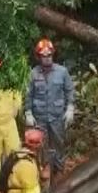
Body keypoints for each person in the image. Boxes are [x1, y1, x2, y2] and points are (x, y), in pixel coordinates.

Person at [23, 39, 74, 179]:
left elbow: (69, 90)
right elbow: (28, 95)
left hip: (57, 116)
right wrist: (28, 112)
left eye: (49, 56)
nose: (47, 59)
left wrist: (70, 107)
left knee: (58, 143)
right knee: (41, 144)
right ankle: (43, 169)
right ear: (39, 57)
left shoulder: (62, 72)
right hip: (40, 117)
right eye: (44, 56)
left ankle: (59, 170)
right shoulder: (33, 74)